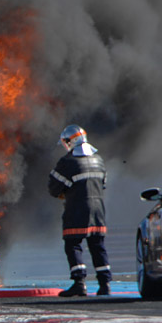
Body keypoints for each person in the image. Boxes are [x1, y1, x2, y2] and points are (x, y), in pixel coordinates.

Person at [48, 124, 111, 297]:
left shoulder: (68, 163)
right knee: (98, 246)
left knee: (73, 245)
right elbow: (103, 185)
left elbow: (53, 188)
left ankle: (79, 283)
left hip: (76, 209)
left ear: (70, 142)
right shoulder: (99, 160)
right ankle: (105, 284)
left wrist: (65, 192)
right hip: (98, 210)